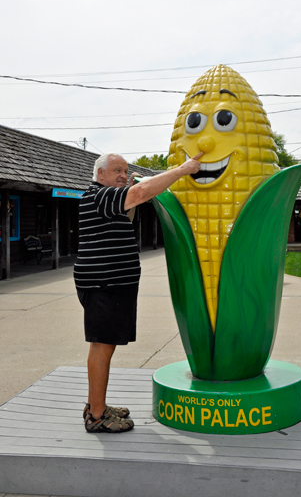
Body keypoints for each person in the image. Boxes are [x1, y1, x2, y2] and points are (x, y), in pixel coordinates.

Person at [74, 152, 202, 433]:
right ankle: (97, 416)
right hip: (103, 286)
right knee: (102, 346)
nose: (123, 175)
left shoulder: (108, 199)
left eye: (125, 171)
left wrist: (129, 193)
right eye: (117, 170)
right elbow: (142, 192)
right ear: (101, 175)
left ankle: (97, 404)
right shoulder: (100, 195)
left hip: (111, 285)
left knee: (105, 344)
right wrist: (183, 169)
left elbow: (127, 214)